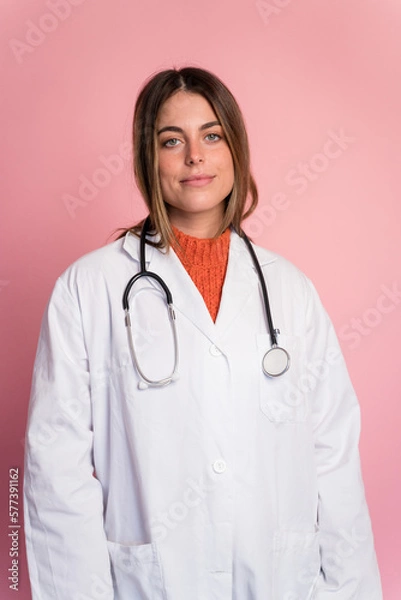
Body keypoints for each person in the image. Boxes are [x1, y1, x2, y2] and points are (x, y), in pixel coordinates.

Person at [23, 67, 383, 600]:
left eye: (211, 135)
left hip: (282, 582)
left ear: (234, 149)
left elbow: (333, 458)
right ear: (150, 158)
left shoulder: (290, 291)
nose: (195, 156)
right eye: (173, 140)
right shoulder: (89, 288)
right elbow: (55, 471)